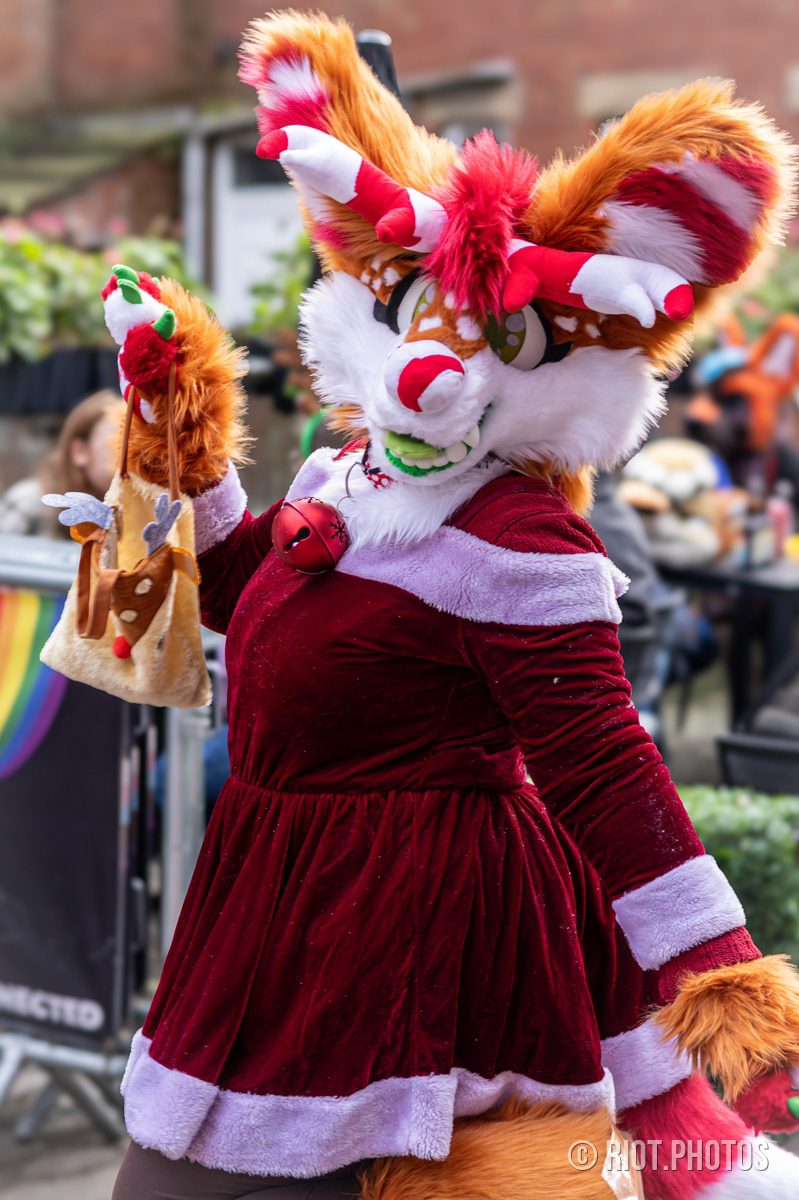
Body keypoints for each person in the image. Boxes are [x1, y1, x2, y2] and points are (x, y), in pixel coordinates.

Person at [96, 15, 799, 1200]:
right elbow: (230, 595)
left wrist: (715, 973)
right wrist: (178, 419)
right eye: (419, 305)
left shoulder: (522, 539)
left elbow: (602, 764)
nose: (432, 368)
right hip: (272, 888)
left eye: (500, 334)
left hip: (413, 920)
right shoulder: (345, 469)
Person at [0, 390, 120, 537]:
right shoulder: (28, 503)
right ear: (80, 451)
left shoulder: (133, 510)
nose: (125, 458)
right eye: (115, 446)